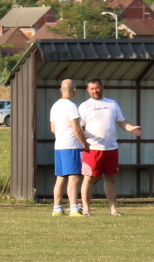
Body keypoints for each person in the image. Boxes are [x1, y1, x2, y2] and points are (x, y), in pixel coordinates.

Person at [77, 79, 141, 217]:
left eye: (97, 88)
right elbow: (78, 127)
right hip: (92, 149)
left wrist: (132, 129)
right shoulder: (84, 106)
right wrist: (83, 138)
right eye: (92, 88)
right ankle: (86, 209)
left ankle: (113, 209)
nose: (95, 91)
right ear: (88, 90)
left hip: (111, 148)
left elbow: (121, 121)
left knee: (110, 179)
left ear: (102, 87)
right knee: (88, 179)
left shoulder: (112, 103)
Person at [48, 77, 84, 215]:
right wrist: (84, 144)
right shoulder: (72, 106)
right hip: (71, 145)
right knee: (74, 177)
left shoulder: (55, 106)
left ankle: (57, 208)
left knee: (60, 178)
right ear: (74, 90)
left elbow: (53, 129)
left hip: (59, 145)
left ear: (61, 90)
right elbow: (77, 129)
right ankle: (74, 208)